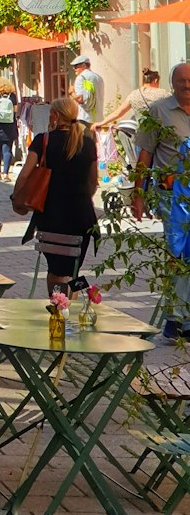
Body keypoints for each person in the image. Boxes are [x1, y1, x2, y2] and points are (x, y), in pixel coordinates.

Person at [11, 95, 97, 296]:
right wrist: (83, 197)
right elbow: (93, 181)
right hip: (82, 216)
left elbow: (25, 174)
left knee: (56, 271)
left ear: (56, 115)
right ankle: (74, 303)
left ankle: (58, 307)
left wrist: (17, 199)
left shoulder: (44, 140)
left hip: (52, 215)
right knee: (72, 270)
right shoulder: (88, 142)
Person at [132, 63, 190, 341]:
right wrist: (138, 194)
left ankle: (186, 318)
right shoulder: (158, 111)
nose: (187, 85)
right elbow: (144, 155)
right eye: (181, 81)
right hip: (171, 195)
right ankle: (173, 317)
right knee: (176, 254)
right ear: (172, 83)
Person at [94, 69, 165, 131]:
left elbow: (118, 113)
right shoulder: (162, 93)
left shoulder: (134, 94)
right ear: (155, 81)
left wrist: (101, 123)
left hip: (141, 135)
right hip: (159, 134)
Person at [71, 55, 104, 127]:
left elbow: (80, 99)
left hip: (85, 118)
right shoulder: (98, 78)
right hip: (98, 118)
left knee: (84, 138)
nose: (74, 69)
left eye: (76, 66)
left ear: (83, 65)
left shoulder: (81, 78)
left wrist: (71, 92)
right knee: (96, 138)